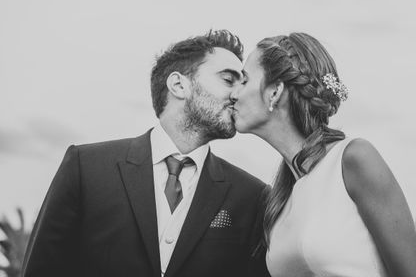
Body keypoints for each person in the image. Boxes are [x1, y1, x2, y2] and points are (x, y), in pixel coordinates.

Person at [22, 29, 270, 277]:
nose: (238, 94)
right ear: (178, 85)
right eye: (228, 80)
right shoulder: (85, 168)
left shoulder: (252, 196)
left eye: (243, 83)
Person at [229, 32, 416, 277]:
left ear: (275, 92)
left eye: (244, 81)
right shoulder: (281, 199)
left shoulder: (353, 160)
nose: (233, 94)